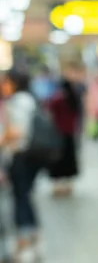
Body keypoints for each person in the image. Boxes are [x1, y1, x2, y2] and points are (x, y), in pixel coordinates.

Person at [0, 70, 42, 261]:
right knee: (25, 196)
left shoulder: (17, 102)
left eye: (6, 81)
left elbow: (18, 131)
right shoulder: (29, 99)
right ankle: (32, 238)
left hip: (20, 155)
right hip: (30, 155)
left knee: (20, 198)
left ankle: (24, 242)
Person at [47, 79, 82, 197]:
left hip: (58, 133)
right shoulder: (73, 98)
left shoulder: (58, 99)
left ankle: (57, 186)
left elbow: (49, 111)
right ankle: (68, 185)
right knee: (69, 159)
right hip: (70, 133)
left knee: (57, 160)